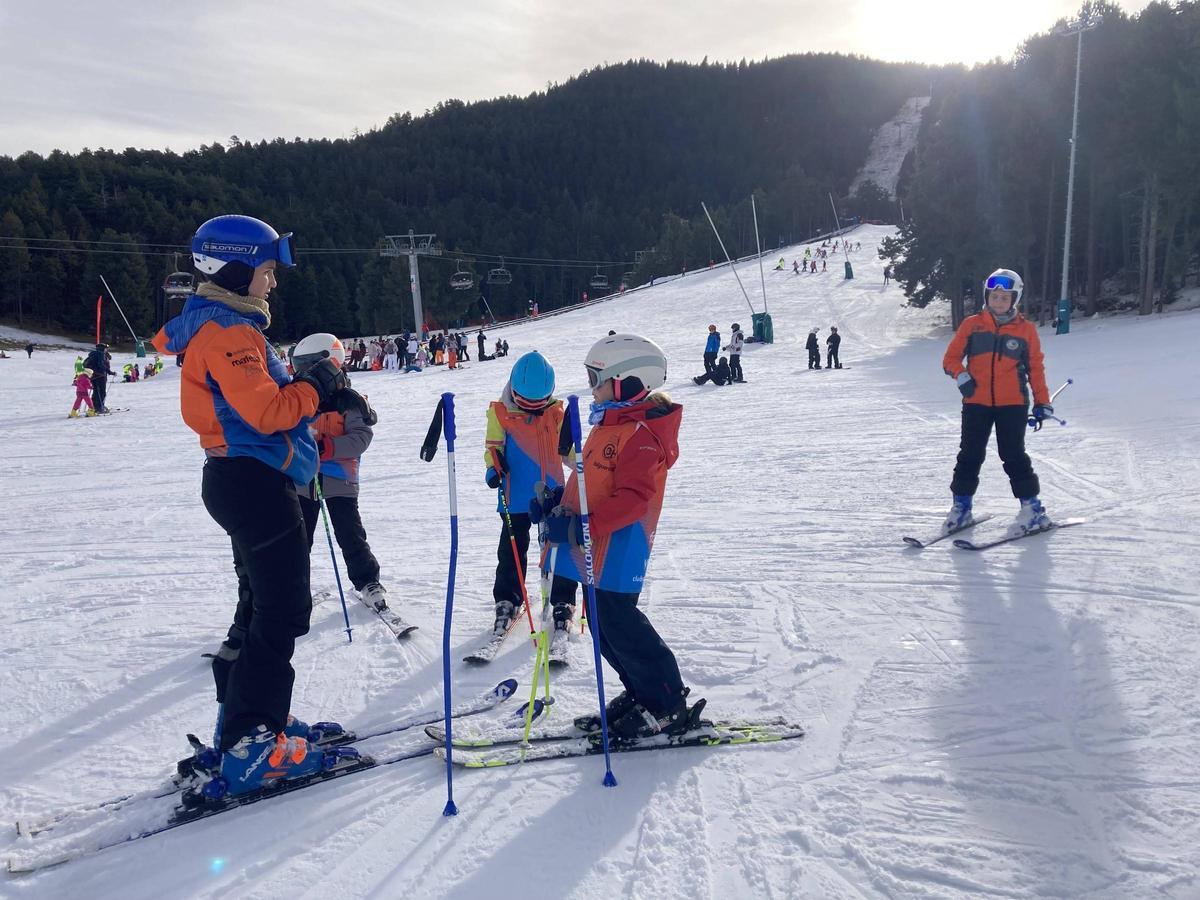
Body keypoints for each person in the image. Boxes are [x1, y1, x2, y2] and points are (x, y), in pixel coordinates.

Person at [152, 214, 370, 796]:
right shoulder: (229, 333)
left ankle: (246, 725)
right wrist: (319, 383)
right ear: (238, 266)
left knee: (259, 606)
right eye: (268, 271)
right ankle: (254, 742)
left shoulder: (226, 325)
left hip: (241, 478)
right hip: (253, 482)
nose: (272, 283)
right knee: (281, 609)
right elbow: (270, 412)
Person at [535, 333, 694, 737]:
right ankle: (642, 692)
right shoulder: (610, 423)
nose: (591, 387)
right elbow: (595, 482)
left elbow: (634, 500)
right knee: (605, 628)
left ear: (628, 380)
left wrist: (578, 527)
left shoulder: (640, 432)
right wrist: (560, 501)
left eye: (597, 378)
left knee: (622, 625)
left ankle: (667, 702)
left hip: (621, 546)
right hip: (594, 546)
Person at [941, 268, 1054, 537]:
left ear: (1014, 299)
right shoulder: (972, 325)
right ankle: (961, 507)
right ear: (987, 296)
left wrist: (1042, 402)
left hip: (1012, 404)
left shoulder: (1026, 331)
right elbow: (950, 359)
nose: (999, 301)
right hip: (976, 402)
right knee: (969, 455)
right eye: (994, 296)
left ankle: (1032, 509)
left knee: (1013, 455)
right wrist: (962, 376)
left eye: (1005, 297)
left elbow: (1036, 370)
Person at [290, 333, 388, 612]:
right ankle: (295, 586)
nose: (302, 374)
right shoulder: (300, 397)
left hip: (338, 479)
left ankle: (368, 581)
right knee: (298, 536)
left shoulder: (349, 401)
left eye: (306, 367)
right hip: (303, 480)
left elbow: (360, 438)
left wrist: (326, 447)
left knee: (350, 533)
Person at [483, 351, 576, 637]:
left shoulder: (557, 413)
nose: (532, 410)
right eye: (527, 405)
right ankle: (509, 598)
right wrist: (493, 467)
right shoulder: (499, 412)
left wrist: (585, 463)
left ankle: (563, 601)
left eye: (539, 404)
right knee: (511, 549)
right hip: (516, 490)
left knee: (560, 546)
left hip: (553, 492)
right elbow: (493, 448)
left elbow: (568, 453)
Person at [84, 342, 116, 413]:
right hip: (100, 375)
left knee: (96, 391)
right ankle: (99, 407)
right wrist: (110, 372)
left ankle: (93, 407)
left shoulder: (92, 354)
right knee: (102, 392)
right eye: (105, 348)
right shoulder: (101, 354)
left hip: (92, 376)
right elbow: (101, 365)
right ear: (102, 349)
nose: (106, 350)